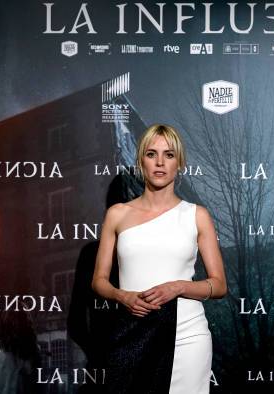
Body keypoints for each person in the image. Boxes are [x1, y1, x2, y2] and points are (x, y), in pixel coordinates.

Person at [92, 124, 227, 394]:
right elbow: (99, 281)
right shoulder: (117, 214)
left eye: (169, 154)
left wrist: (178, 287)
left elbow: (219, 285)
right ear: (141, 159)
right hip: (132, 328)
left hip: (186, 334)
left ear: (180, 161)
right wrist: (122, 296)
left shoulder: (197, 215)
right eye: (152, 154)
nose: (160, 163)